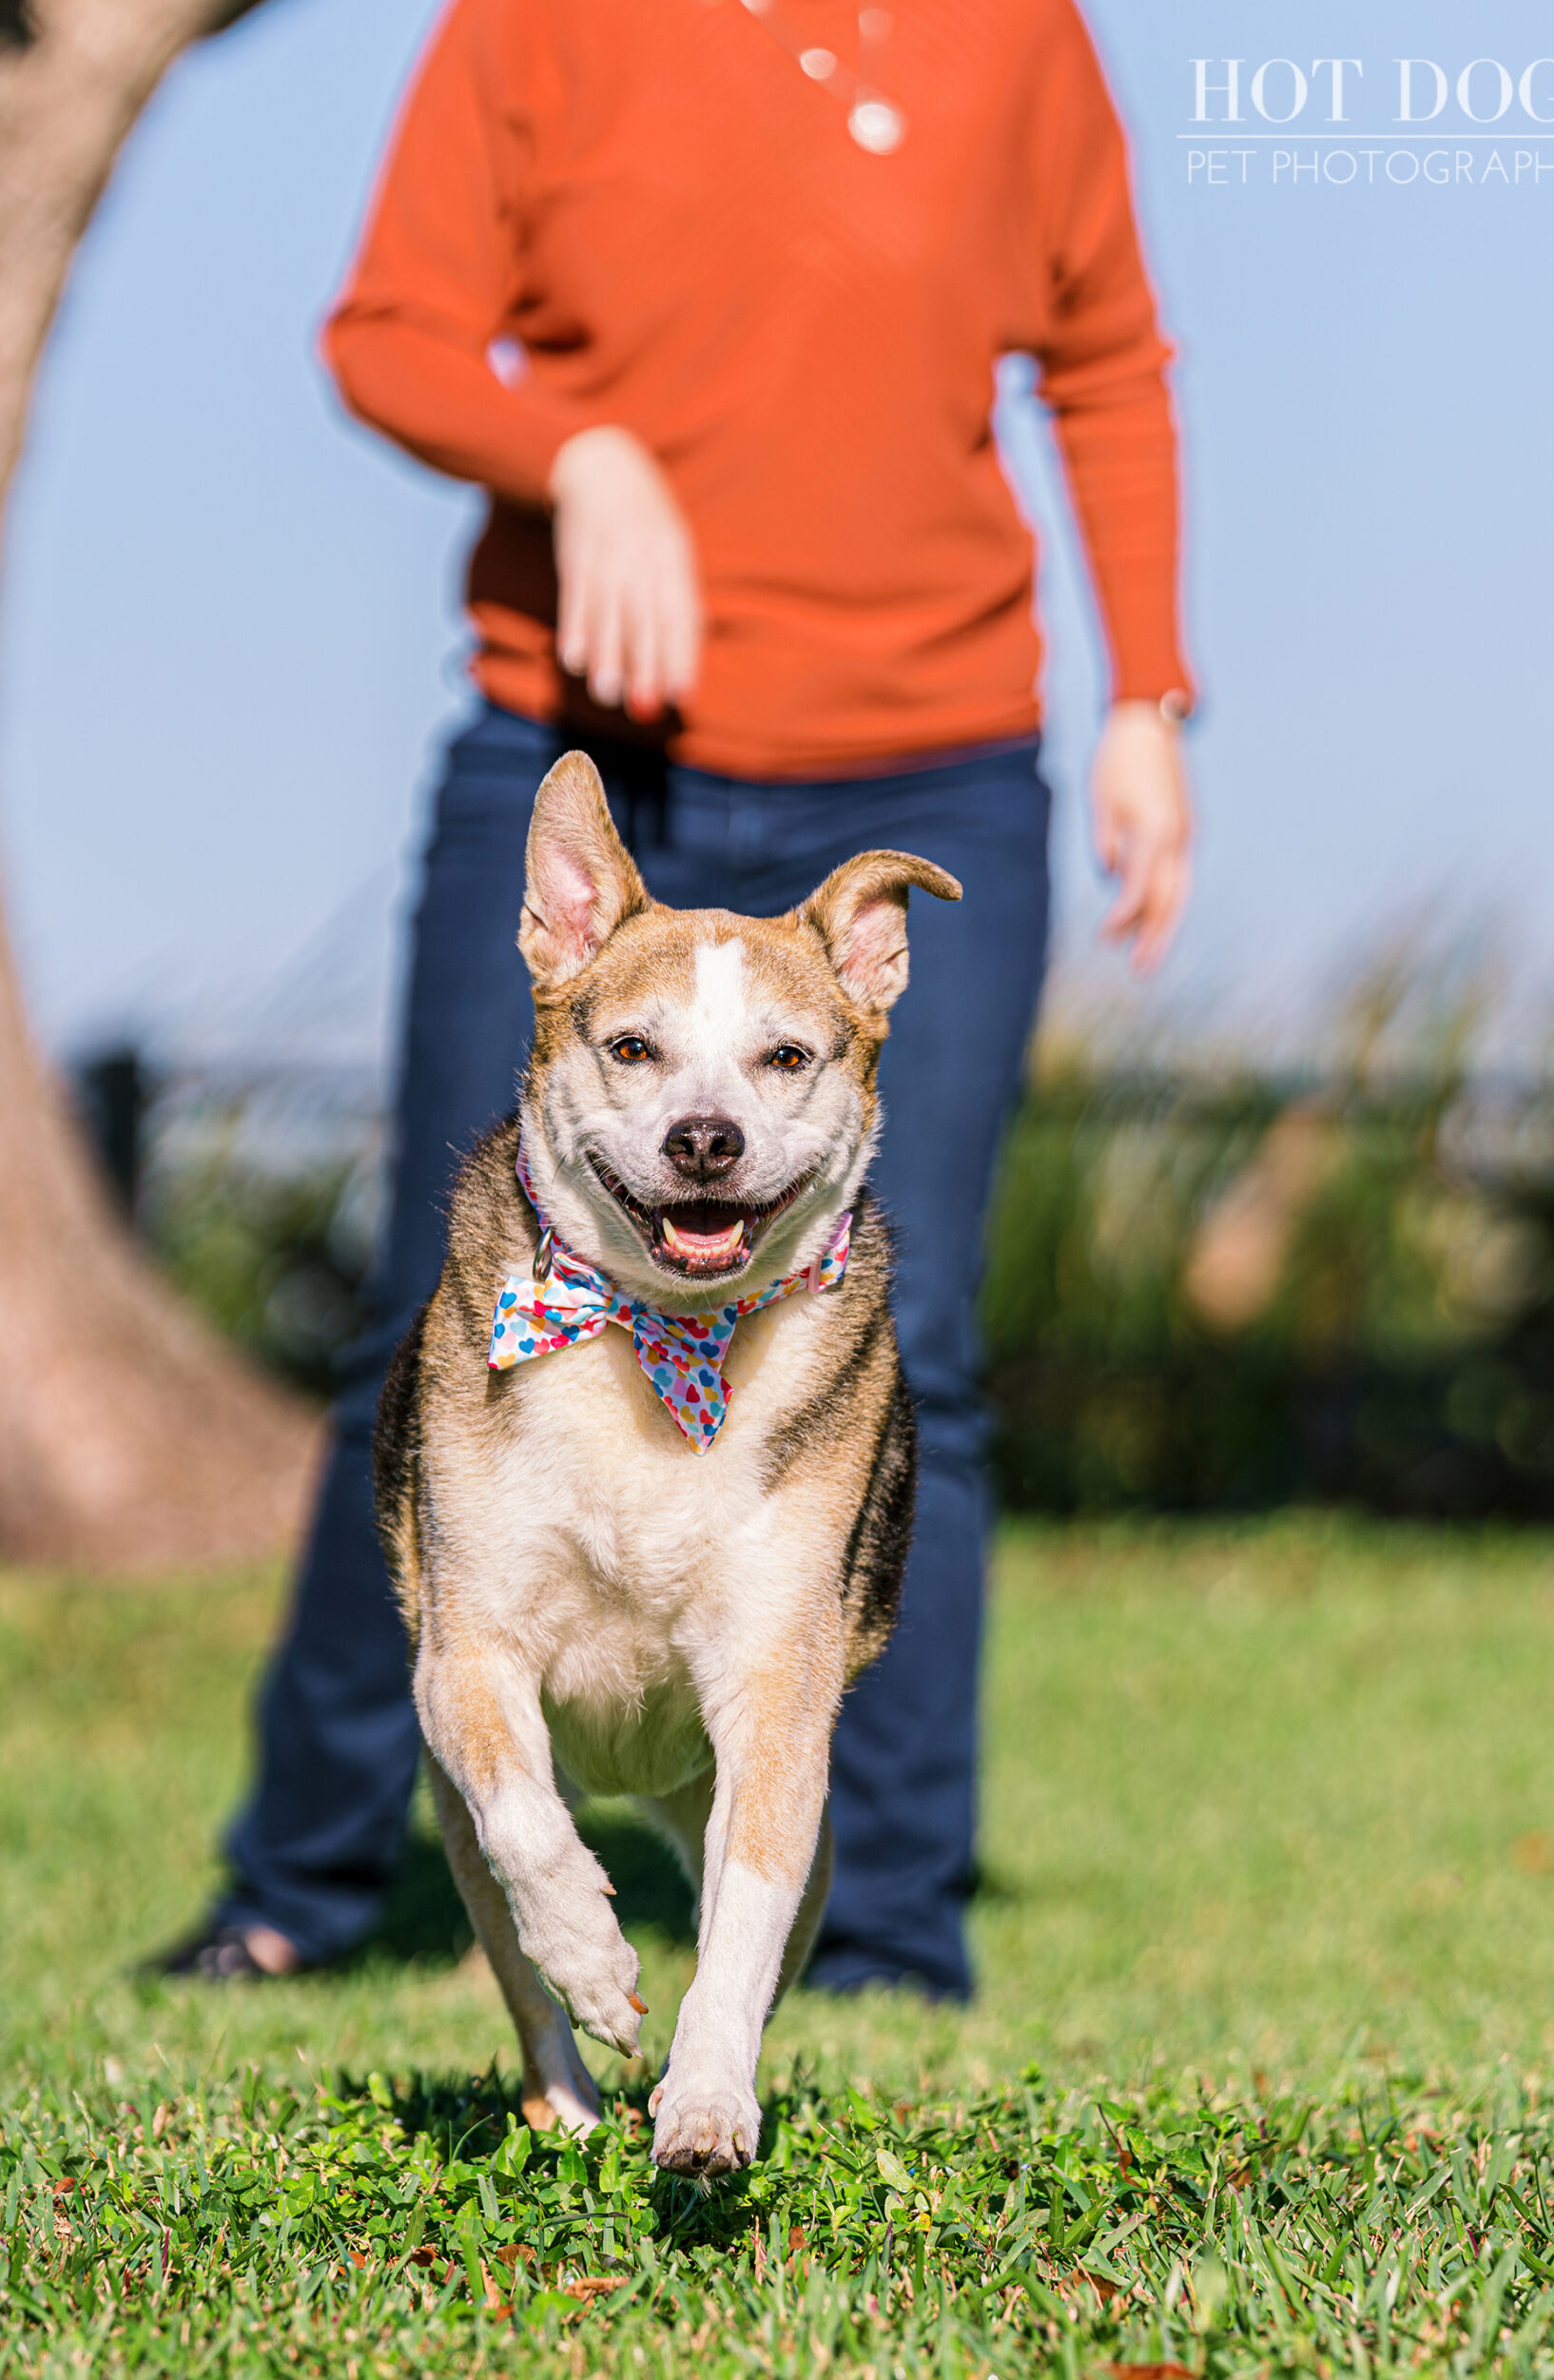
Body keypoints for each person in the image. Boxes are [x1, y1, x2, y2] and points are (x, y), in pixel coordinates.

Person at [156, 0, 1195, 2002]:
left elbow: (1105, 359)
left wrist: (1143, 693)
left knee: (927, 1339)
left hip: (926, 754)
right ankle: (296, 1879)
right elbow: (382, 332)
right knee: (430, 1303)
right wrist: (577, 451)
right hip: (581, 748)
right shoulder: (530, 28)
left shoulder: (1018, 38)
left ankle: (875, 1922)